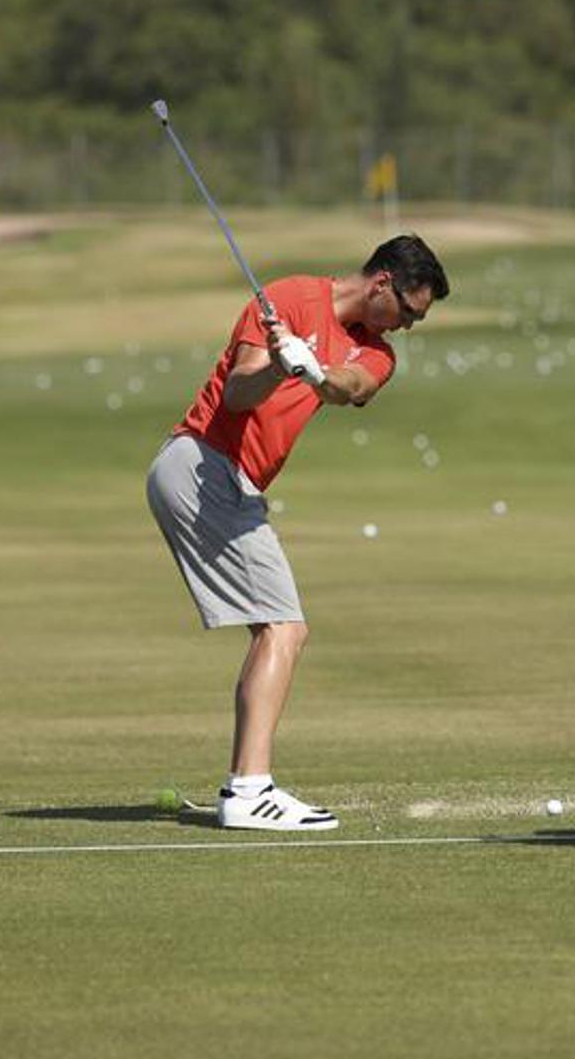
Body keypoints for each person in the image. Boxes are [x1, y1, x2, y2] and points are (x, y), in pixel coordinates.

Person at [146, 234, 449, 832]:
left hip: (232, 481)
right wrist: (277, 365)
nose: (407, 326)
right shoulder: (289, 298)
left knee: (281, 627)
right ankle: (248, 790)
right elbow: (239, 391)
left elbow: (351, 387)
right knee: (283, 628)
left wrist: (311, 370)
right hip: (203, 463)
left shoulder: (378, 352)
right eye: (408, 312)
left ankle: (248, 785)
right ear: (381, 283)